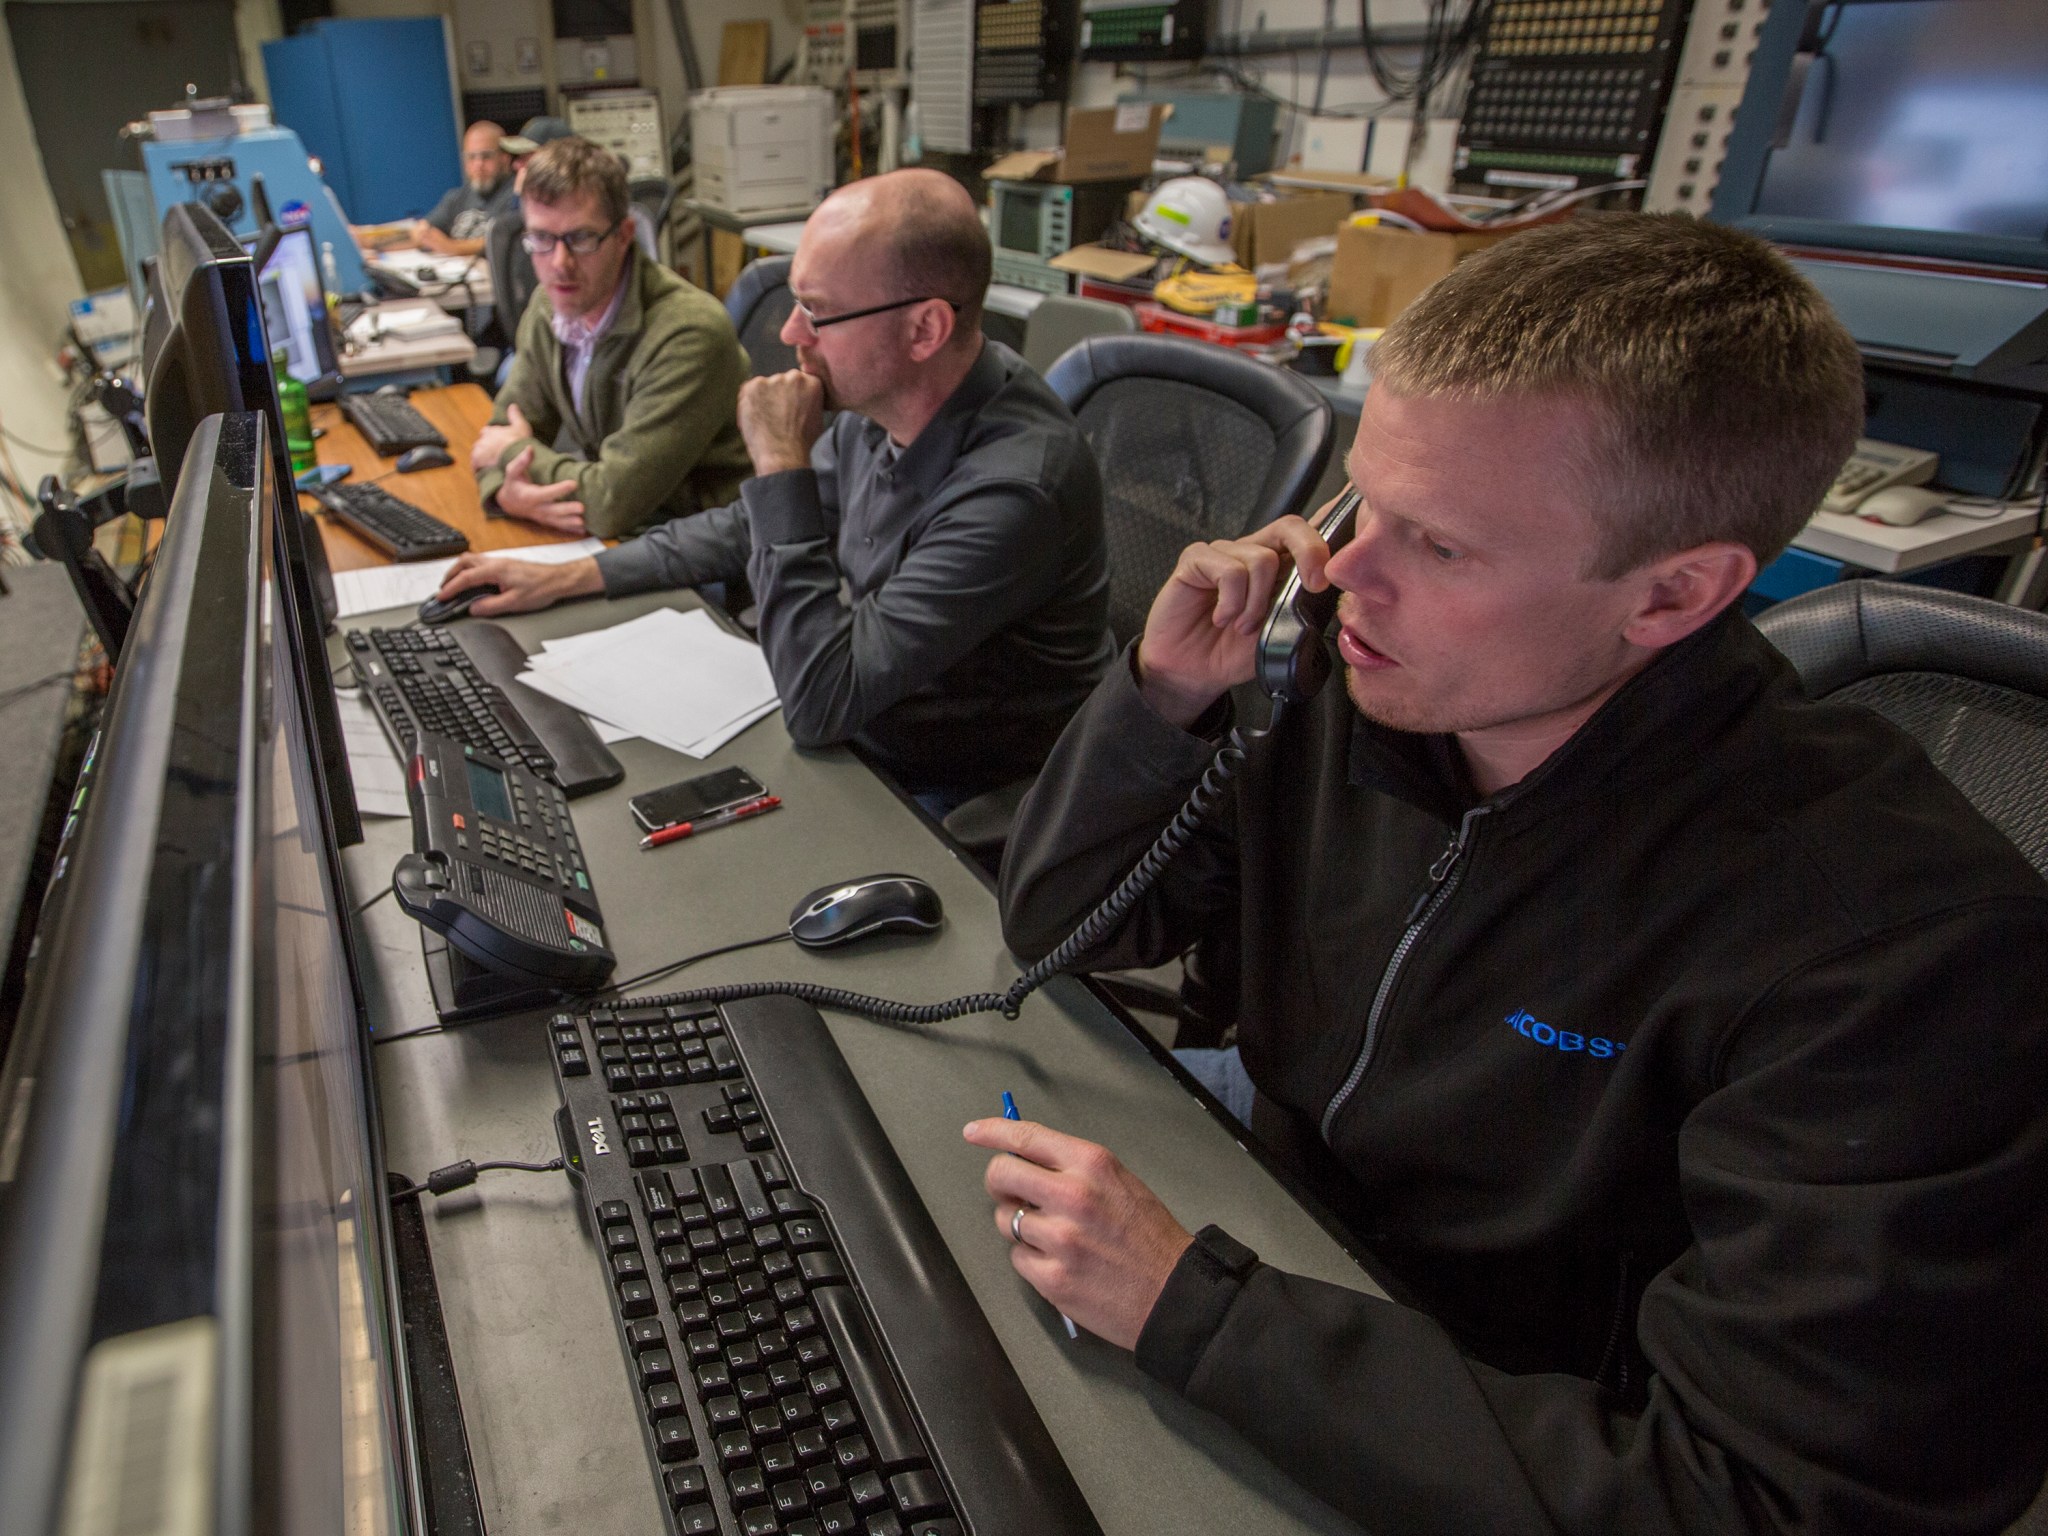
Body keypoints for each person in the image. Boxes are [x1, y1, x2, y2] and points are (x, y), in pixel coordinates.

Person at [972, 214, 2048, 1534]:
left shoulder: (1902, 958)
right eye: (1363, 501)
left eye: (1439, 545)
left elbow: (1759, 1502)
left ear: (1669, 597)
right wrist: (1162, 700)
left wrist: (1197, 1309)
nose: (1341, 571)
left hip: (1495, 1417)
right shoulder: (1354, 682)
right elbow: (1063, 927)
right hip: (1278, 1249)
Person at [436, 169, 1116, 807]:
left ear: (925, 328)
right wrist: (570, 576)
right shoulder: (887, 406)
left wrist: (782, 461)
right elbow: (745, 529)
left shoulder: (1016, 487)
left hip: (944, 794)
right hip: (858, 732)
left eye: (818, 313)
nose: (792, 334)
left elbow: (822, 704)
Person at [457, 136, 751, 540]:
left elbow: (610, 502)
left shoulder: (689, 332)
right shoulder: (550, 308)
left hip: (699, 550)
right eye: (541, 239)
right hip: (623, 531)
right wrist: (505, 494)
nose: (560, 264)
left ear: (624, 234)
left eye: (581, 238)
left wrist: (512, 453)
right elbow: (495, 434)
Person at [482, 116, 576, 364]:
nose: (517, 165)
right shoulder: (523, 211)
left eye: (527, 157)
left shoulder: (571, 226)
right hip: (532, 341)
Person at [401, 121, 517, 257]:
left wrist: (451, 247)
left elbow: (502, 241)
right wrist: (421, 232)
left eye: (486, 156)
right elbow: (424, 230)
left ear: (505, 158)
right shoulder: (457, 197)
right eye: (471, 157)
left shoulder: (517, 196)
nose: (478, 164)